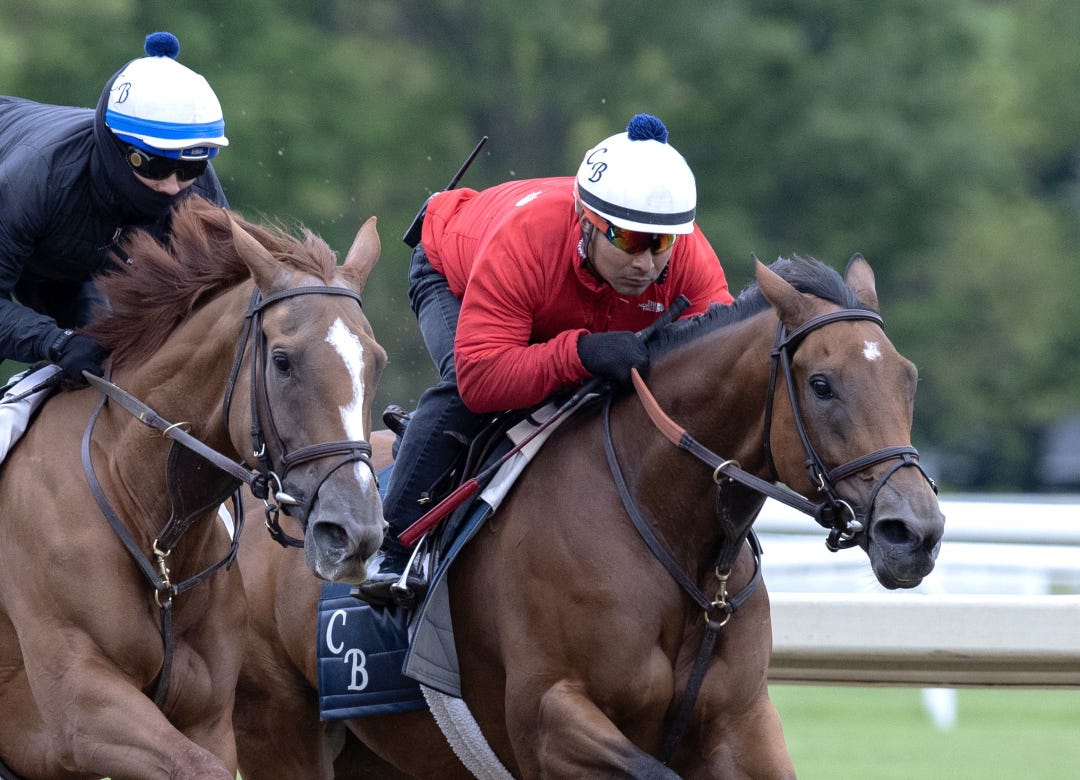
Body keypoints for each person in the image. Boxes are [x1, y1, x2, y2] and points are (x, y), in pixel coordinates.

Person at [357, 113, 735, 606]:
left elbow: (719, 373)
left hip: (556, 304)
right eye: (628, 240)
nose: (646, 263)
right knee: (470, 398)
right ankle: (391, 549)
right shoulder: (528, 239)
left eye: (661, 243)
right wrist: (581, 351)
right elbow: (483, 377)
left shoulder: (688, 258)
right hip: (454, 272)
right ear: (587, 221)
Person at [0, 30, 229, 385]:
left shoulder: (198, 191)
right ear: (115, 147)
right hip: (27, 216)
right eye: (154, 166)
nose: (172, 186)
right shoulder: (36, 178)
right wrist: (55, 342)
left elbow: (219, 304)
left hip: (62, 264)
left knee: (99, 362)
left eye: (189, 168)